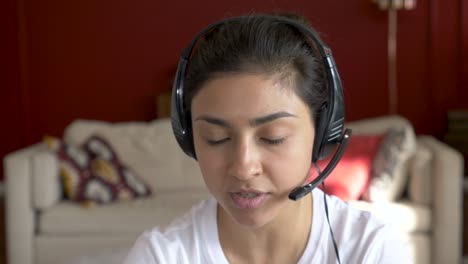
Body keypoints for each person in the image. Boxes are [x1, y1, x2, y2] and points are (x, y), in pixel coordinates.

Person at [124, 13, 412, 264]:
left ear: (323, 133)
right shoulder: (159, 256)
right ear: (188, 138)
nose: (243, 167)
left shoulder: (372, 250)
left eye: (273, 138)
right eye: (216, 138)